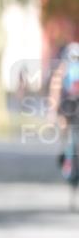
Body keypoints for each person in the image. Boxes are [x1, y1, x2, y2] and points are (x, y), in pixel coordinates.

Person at [48, 42, 79, 173]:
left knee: (64, 128)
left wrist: (52, 111)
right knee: (64, 128)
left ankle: (65, 150)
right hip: (67, 103)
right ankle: (66, 152)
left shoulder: (63, 67)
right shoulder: (63, 68)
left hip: (68, 103)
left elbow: (55, 89)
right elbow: (56, 88)